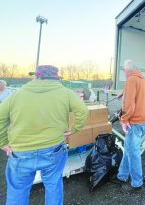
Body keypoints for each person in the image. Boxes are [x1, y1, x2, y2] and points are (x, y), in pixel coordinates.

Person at [0, 65, 88, 205]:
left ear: (36, 76)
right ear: (56, 77)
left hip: (21, 151)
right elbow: (83, 110)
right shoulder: (65, 92)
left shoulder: (16, 94)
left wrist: (3, 142)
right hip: (53, 149)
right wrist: (74, 129)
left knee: (18, 191)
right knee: (53, 185)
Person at [112, 59, 145, 193]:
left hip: (135, 121)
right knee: (128, 148)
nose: (124, 73)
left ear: (128, 70)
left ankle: (137, 183)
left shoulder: (131, 80)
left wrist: (123, 119)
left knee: (133, 152)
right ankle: (122, 176)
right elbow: (134, 93)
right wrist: (123, 92)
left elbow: (129, 105)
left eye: (124, 70)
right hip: (143, 119)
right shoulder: (140, 78)